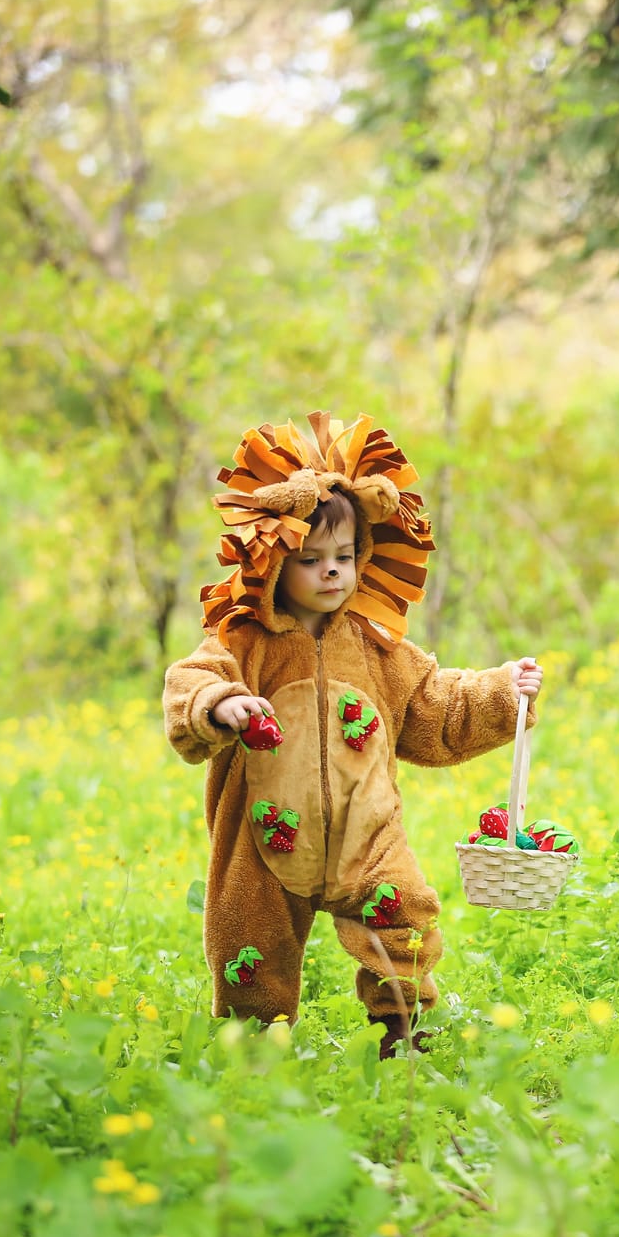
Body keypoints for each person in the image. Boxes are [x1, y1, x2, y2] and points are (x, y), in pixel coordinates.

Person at [162, 411, 542, 1057]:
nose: (332, 572)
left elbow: (435, 705)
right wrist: (221, 705)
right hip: (262, 834)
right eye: (310, 560)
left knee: (405, 916)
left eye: (344, 557)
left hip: (367, 832)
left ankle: (404, 1035)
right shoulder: (245, 640)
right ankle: (254, 1047)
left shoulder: (375, 648)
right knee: (248, 941)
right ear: (273, 562)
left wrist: (504, 690)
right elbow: (191, 679)